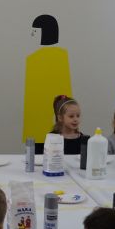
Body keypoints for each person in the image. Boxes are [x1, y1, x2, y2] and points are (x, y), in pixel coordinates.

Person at [23, 14, 73, 144]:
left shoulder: (35, 58)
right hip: (37, 114)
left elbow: (64, 89)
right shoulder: (35, 57)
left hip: (49, 114)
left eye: (35, 31)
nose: (32, 35)